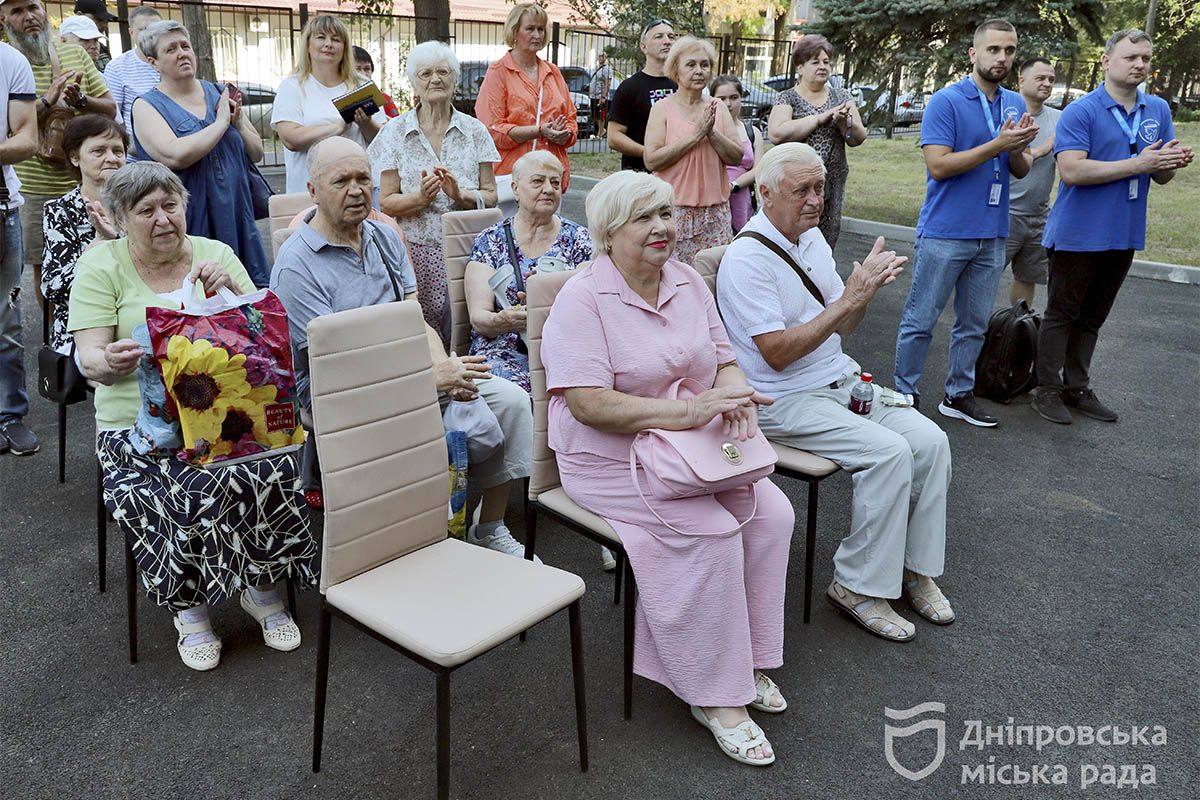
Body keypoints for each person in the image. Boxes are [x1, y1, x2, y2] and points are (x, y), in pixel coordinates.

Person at [543, 170, 794, 766]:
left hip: (687, 447)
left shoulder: (684, 280)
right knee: (709, 532)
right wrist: (690, 412)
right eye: (644, 217)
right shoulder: (582, 300)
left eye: (666, 213)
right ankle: (713, 695)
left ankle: (746, 657)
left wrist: (734, 403)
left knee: (770, 513)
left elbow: (727, 362)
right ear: (607, 232)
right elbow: (588, 404)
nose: (663, 228)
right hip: (607, 457)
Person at [68, 162, 317, 672]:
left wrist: (231, 294)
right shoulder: (100, 267)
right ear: (118, 217)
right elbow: (87, 356)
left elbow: (262, 344)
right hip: (136, 427)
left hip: (228, 417)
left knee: (271, 468)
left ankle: (261, 588)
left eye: (170, 205)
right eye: (146, 210)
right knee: (179, 488)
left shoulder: (215, 253)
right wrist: (107, 363)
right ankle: (191, 609)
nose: (162, 219)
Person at [718, 142, 954, 643]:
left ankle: (914, 568)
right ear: (764, 192)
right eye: (800, 189)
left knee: (931, 441)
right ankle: (858, 586)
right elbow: (776, 353)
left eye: (820, 188)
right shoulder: (745, 258)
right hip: (781, 398)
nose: (814, 199)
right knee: (889, 452)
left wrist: (860, 296)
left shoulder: (813, 241)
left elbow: (844, 326)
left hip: (837, 380)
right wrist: (848, 299)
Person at [272, 137, 537, 559]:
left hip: (411, 370)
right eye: (341, 180)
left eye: (363, 178)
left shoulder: (383, 237)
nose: (356, 190)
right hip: (345, 392)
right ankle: (430, 537)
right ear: (313, 191)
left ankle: (488, 526)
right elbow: (336, 368)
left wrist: (443, 367)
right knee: (456, 416)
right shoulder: (296, 264)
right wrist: (431, 379)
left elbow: (417, 317)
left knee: (511, 401)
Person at [1033, 30, 1192, 425]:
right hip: (1077, 233)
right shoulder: (1081, 111)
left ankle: (1077, 386)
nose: (1140, 64)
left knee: (1093, 318)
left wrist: (1169, 163)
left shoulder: (1157, 110)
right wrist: (1139, 164)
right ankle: (1047, 389)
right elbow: (1071, 171)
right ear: (1106, 62)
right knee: (1062, 313)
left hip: (1123, 233)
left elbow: (1161, 176)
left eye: (1145, 58)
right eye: (1130, 57)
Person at [893, 18, 1038, 427]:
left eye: (1009, 51)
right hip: (945, 231)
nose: (1002, 58)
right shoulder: (946, 101)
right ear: (974, 54)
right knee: (921, 319)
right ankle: (904, 396)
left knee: (973, 324)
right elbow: (939, 166)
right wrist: (998, 144)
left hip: (991, 233)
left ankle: (957, 395)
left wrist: (1017, 149)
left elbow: (1021, 170)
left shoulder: (1013, 103)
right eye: (993, 50)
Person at [371, 40, 498, 347]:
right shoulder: (395, 131)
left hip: (470, 250)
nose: (435, 79)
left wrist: (461, 194)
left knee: (466, 325)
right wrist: (420, 198)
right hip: (417, 250)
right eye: (425, 73)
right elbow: (386, 202)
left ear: (454, 80)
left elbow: (492, 196)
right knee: (422, 329)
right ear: (415, 82)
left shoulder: (475, 130)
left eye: (443, 72)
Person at [131, 20, 270, 288]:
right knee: (199, 298)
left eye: (186, 46)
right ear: (153, 62)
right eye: (171, 49)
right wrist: (220, 123)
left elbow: (257, 152)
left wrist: (238, 122)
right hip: (192, 219)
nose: (182, 53)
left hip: (237, 215)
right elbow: (175, 155)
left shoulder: (220, 93)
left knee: (247, 294)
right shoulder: (146, 106)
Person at [2, 0, 116, 305]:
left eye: (33, 8)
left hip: (83, 182)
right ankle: (55, 340)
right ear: (4, 21)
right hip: (33, 188)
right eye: (17, 12)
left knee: (103, 256)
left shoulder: (74, 53)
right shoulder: (9, 64)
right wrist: (47, 101)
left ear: (45, 12)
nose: (28, 17)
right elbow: (13, 133)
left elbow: (110, 109)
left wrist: (81, 101)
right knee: (48, 273)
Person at [465, 150, 591, 393]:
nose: (548, 189)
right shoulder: (490, 240)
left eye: (555, 182)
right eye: (537, 181)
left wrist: (547, 292)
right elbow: (479, 318)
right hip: (504, 348)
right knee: (509, 389)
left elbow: (591, 294)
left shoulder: (579, 239)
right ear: (515, 189)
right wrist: (503, 321)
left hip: (564, 345)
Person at [642, 36, 742, 266]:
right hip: (674, 212)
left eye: (704, 65)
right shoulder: (662, 108)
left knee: (714, 278)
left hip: (715, 214)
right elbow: (652, 160)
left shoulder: (717, 107)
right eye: (691, 64)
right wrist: (696, 136)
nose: (699, 71)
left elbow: (736, 156)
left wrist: (711, 133)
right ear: (676, 69)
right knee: (673, 277)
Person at [476, 2, 576, 215]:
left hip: (550, 178)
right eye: (530, 28)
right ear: (514, 31)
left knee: (548, 242)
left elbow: (571, 118)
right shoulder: (498, 72)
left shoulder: (553, 72)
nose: (537, 34)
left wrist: (564, 134)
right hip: (512, 179)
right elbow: (492, 130)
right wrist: (538, 131)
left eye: (541, 29)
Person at [767, 35, 866, 249]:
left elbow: (858, 138)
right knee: (793, 235)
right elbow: (776, 133)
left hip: (831, 182)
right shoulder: (788, 97)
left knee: (825, 240)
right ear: (800, 67)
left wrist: (843, 124)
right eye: (815, 62)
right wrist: (818, 119)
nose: (822, 66)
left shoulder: (841, 96)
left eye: (826, 61)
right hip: (796, 183)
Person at [272, 14, 384, 194]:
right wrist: (336, 127)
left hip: (358, 192)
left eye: (336, 39)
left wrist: (366, 123)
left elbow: (383, 140)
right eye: (321, 37)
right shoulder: (292, 86)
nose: (329, 44)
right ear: (308, 45)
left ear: (345, 47)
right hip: (310, 193)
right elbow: (290, 138)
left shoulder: (362, 84)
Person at [41, 113, 126, 350]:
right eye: (99, 151)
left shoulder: (140, 207)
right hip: (81, 325)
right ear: (75, 158)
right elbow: (53, 287)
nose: (111, 158)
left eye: (118, 151)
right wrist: (96, 246)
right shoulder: (60, 211)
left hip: (136, 318)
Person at [0, 41, 39, 457]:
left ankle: (10, 414)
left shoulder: (10, 60)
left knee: (5, 320)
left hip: (1, 210)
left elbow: (27, 138)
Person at [1002, 57, 1060, 309]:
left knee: (1027, 278)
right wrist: (1038, 151)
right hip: (1005, 213)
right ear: (1021, 80)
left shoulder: (1060, 119)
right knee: (984, 275)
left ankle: (1017, 332)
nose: (1047, 84)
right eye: (1040, 78)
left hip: (1039, 216)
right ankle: (978, 334)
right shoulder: (1006, 115)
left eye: (1051, 80)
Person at [607, 19, 676, 172]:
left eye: (671, 37)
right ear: (643, 47)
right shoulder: (629, 87)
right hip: (639, 176)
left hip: (678, 176)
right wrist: (650, 154)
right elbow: (613, 137)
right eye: (659, 36)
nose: (667, 41)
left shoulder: (683, 85)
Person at [711, 74, 765, 233]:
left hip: (742, 200)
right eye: (721, 98)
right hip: (714, 198)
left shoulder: (752, 132)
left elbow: (759, 168)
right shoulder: (708, 131)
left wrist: (734, 186)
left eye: (734, 97)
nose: (728, 104)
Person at [102, 4, 161, 140]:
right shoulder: (117, 67)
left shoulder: (173, 60)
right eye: (143, 29)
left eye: (156, 29)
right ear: (131, 32)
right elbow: (113, 113)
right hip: (136, 151)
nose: (150, 34)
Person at [352, 45, 399, 117]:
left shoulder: (383, 99)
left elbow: (396, 126)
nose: (363, 74)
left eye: (367, 69)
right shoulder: (336, 98)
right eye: (358, 69)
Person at [72, 0, 114, 70]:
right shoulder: (63, 49)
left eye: (106, 21)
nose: (104, 25)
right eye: (99, 19)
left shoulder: (102, 48)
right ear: (79, 15)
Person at [588, 51, 611, 138]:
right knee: (594, 115)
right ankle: (601, 130)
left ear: (605, 58)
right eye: (599, 56)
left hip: (600, 95)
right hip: (593, 95)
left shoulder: (607, 69)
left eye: (602, 56)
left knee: (601, 114)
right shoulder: (596, 68)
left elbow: (607, 83)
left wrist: (603, 96)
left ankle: (601, 131)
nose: (600, 57)